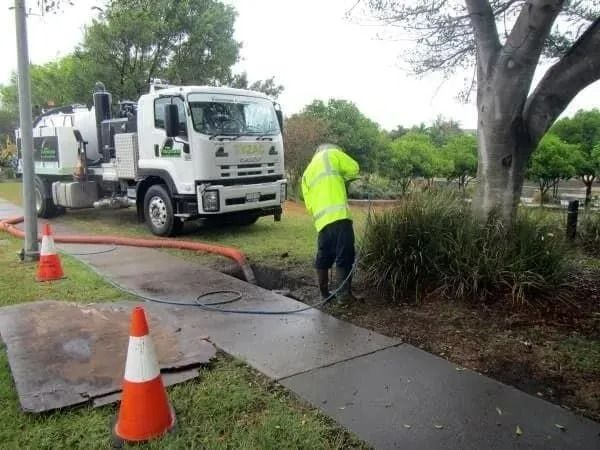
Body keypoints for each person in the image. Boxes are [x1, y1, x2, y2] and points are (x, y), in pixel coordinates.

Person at [302, 143, 360, 304]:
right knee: (345, 255)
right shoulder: (333, 154)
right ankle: (344, 296)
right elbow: (354, 168)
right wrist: (343, 178)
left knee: (324, 255)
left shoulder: (307, 172)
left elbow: (308, 205)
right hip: (340, 217)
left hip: (322, 222)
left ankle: (324, 293)